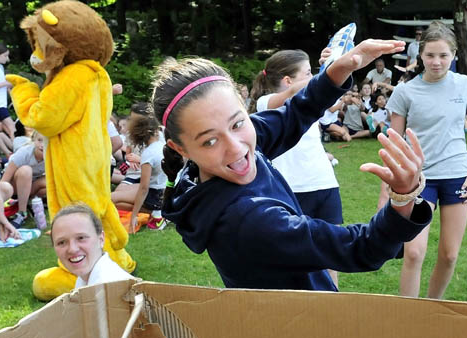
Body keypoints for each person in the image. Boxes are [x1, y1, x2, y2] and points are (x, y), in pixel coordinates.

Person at [154, 39, 434, 291]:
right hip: (302, 332)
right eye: (209, 142)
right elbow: (360, 247)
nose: (236, 147)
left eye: (238, 123)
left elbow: (292, 115)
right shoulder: (247, 220)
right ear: (180, 148)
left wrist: (335, 72)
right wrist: (402, 199)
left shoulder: (210, 167)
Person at [380, 20, 467, 300]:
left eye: (443, 55)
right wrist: (387, 188)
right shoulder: (406, 92)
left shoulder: (465, 86)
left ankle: (432, 307)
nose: (437, 62)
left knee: (450, 255)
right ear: (421, 55)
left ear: (454, 55)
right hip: (419, 179)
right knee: (414, 252)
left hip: (457, 175)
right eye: (430, 55)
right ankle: (408, 316)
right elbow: (394, 141)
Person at [250, 49, 348, 285]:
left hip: (324, 186)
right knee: (296, 261)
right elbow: (297, 92)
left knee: (330, 256)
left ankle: (331, 309)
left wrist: (332, 63)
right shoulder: (266, 103)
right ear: (287, 80)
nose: (313, 76)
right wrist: (326, 75)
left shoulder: (310, 104)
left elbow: (332, 98)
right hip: (292, 191)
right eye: (308, 73)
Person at [110, 103, 167, 232]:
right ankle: (158, 212)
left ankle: (160, 212)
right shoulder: (159, 144)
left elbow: (144, 188)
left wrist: (133, 217)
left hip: (156, 193)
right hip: (162, 189)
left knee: (110, 198)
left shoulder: (149, 154)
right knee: (117, 197)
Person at [51, 203, 136, 289]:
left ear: (101, 239)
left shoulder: (109, 287)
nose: (72, 249)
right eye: (61, 242)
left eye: (81, 238)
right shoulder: (85, 280)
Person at [1, 131, 47, 228]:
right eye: (39, 140)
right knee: (26, 170)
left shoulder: (51, 156)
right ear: (34, 140)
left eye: (46, 142)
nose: (42, 145)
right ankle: (21, 213)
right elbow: (4, 180)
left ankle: (31, 202)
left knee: (50, 182)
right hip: (12, 185)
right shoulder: (25, 152)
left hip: (30, 185)